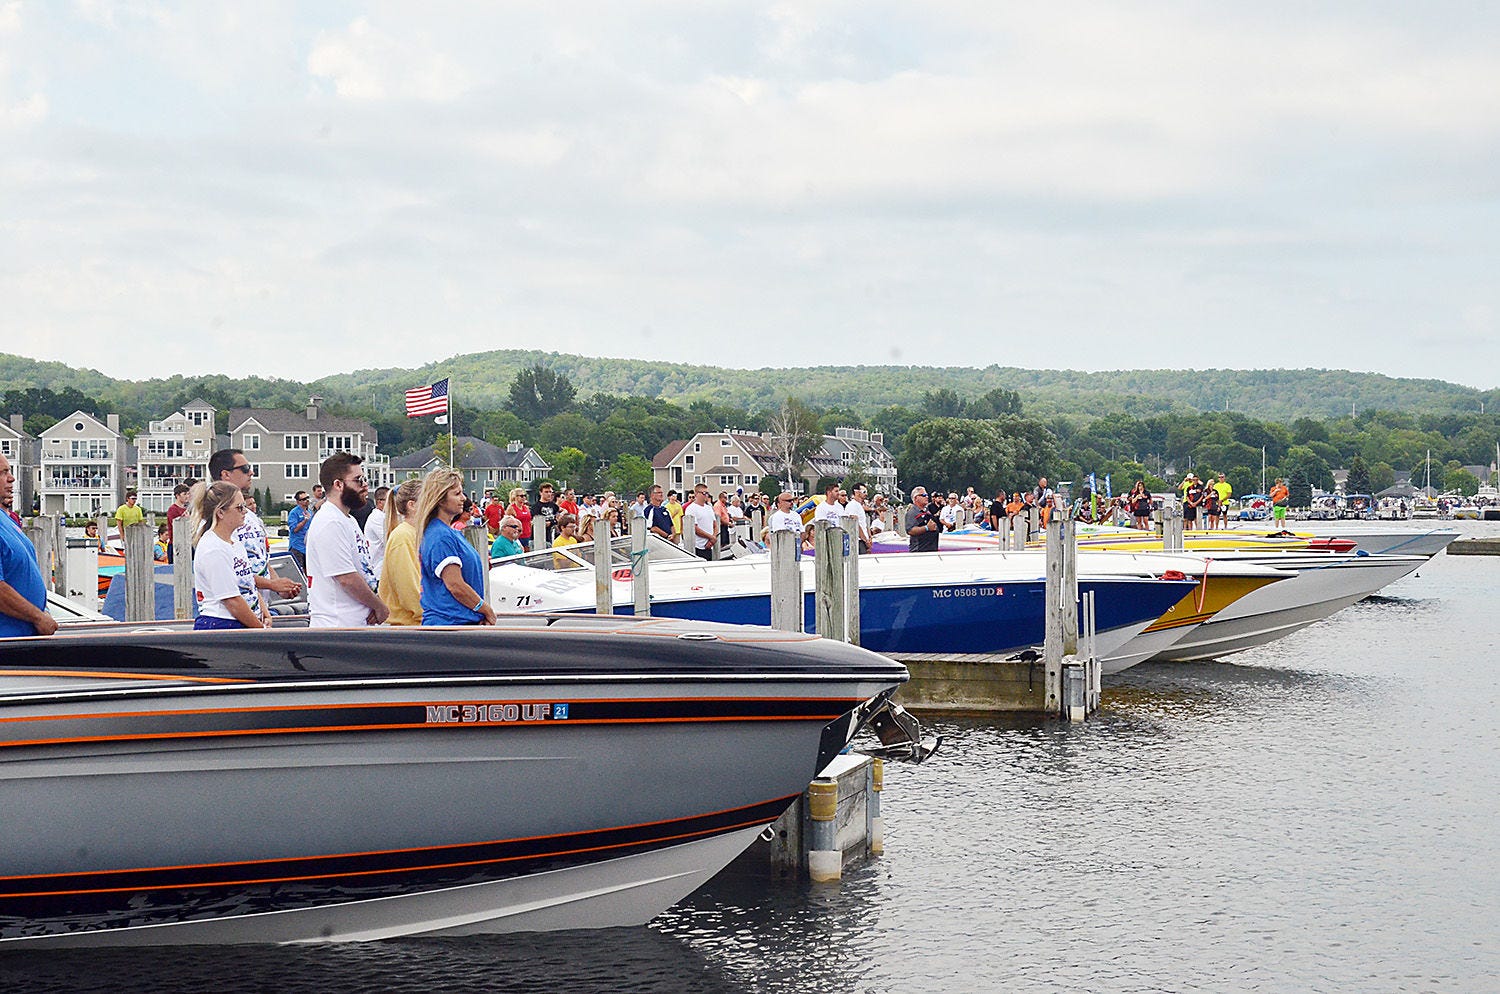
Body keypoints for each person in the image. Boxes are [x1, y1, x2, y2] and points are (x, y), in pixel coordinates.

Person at [209, 449, 299, 625]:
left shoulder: (249, 517)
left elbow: (261, 560)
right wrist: (272, 585)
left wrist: (278, 584)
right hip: (229, 616)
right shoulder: (216, 519)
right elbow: (233, 576)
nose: (251, 472)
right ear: (225, 474)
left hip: (256, 607)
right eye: (245, 468)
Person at [306, 452, 387, 628]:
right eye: (359, 480)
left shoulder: (347, 520)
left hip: (355, 623)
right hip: (337, 626)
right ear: (338, 484)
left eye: (365, 480)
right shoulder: (330, 521)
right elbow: (346, 578)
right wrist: (379, 606)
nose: (365, 486)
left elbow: (362, 570)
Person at [418, 469, 497, 626]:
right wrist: (485, 609)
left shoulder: (449, 532)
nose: (463, 498)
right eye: (457, 494)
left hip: (460, 622)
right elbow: (455, 585)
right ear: (440, 499)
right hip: (449, 623)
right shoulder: (441, 536)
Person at [190, 481, 262, 631]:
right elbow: (232, 600)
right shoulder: (213, 548)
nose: (245, 512)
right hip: (221, 623)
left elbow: (247, 583)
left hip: (241, 620)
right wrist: (260, 629)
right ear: (220, 512)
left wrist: (263, 613)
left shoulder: (234, 542)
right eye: (239, 508)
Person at [0, 452, 56, 638]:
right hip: (9, 645)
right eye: (3, 473)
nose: (12, 478)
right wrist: (38, 617)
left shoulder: (6, 520)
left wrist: (43, 609)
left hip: (27, 638)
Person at [377, 479, 423, 626]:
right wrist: (429, 614)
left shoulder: (415, 534)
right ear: (412, 505)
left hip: (419, 624)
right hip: (412, 625)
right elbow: (408, 588)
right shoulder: (402, 537)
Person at [683, 484, 718, 561]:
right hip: (698, 546)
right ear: (696, 494)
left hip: (710, 545)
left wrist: (712, 539)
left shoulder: (709, 508)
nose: (706, 495)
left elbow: (715, 525)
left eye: (707, 493)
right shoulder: (691, 509)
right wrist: (711, 537)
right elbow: (695, 528)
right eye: (704, 493)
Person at [364, 485, 389, 581]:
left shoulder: (383, 516)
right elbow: (389, 541)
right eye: (389, 500)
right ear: (380, 502)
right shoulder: (377, 518)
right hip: (378, 571)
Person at [905, 487, 941, 552]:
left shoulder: (926, 511)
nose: (927, 497)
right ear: (916, 498)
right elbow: (910, 530)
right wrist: (927, 528)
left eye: (927, 495)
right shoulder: (912, 512)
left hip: (931, 549)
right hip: (919, 551)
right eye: (923, 495)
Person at [286, 489, 313, 573]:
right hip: (297, 546)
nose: (306, 500)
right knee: (298, 570)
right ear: (298, 502)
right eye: (303, 499)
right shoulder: (294, 513)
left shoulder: (309, 512)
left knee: (308, 570)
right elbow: (294, 529)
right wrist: (304, 520)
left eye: (307, 498)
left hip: (307, 546)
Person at [164, 483, 191, 563]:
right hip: (175, 544)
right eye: (184, 494)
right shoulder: (173, 509)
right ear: (177, 496)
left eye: (188, 494)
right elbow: (176, 525)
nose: (187, 496)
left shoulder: (187, 509)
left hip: (186, 543)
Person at [845, 484, 872, 553]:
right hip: (858, 540)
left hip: (863, 539)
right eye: (864, 491)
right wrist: (865, 540)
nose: (866, 494)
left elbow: (864, 524)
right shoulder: (852, 505)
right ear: (856, 492)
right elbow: (855, 524)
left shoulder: (859, 506)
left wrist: (869, 537)